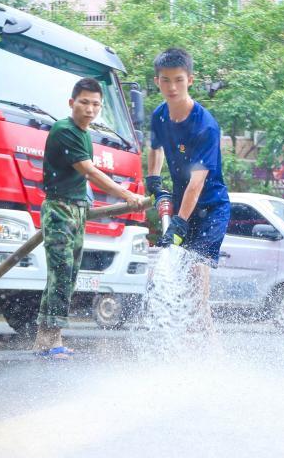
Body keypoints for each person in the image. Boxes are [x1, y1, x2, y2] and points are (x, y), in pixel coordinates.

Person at [34, 77, 143, 358]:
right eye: (84, 102)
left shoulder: (84, 134)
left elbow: (83, 180)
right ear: (72, 103)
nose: (90, 109)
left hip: (77, 210)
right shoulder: (64, 130)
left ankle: (44, 341)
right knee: (60, 273)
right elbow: (90, 172)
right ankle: (51, 339)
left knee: (68, 276)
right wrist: (126, 195)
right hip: (59, 210)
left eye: (96, 104)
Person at [145, 48, 231, 334]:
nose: (172, 87)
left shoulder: (204, 126)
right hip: (184, 205)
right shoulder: (159, 115)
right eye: (165, 80)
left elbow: (197, 184)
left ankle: (209, 359)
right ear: (157, 81)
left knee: (196, 285)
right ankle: (183, 349)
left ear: (190, 80)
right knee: (176, 286)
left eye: (178, 80)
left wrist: (179, 223)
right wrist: (154, 181)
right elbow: (154, 149)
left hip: (209, 210)